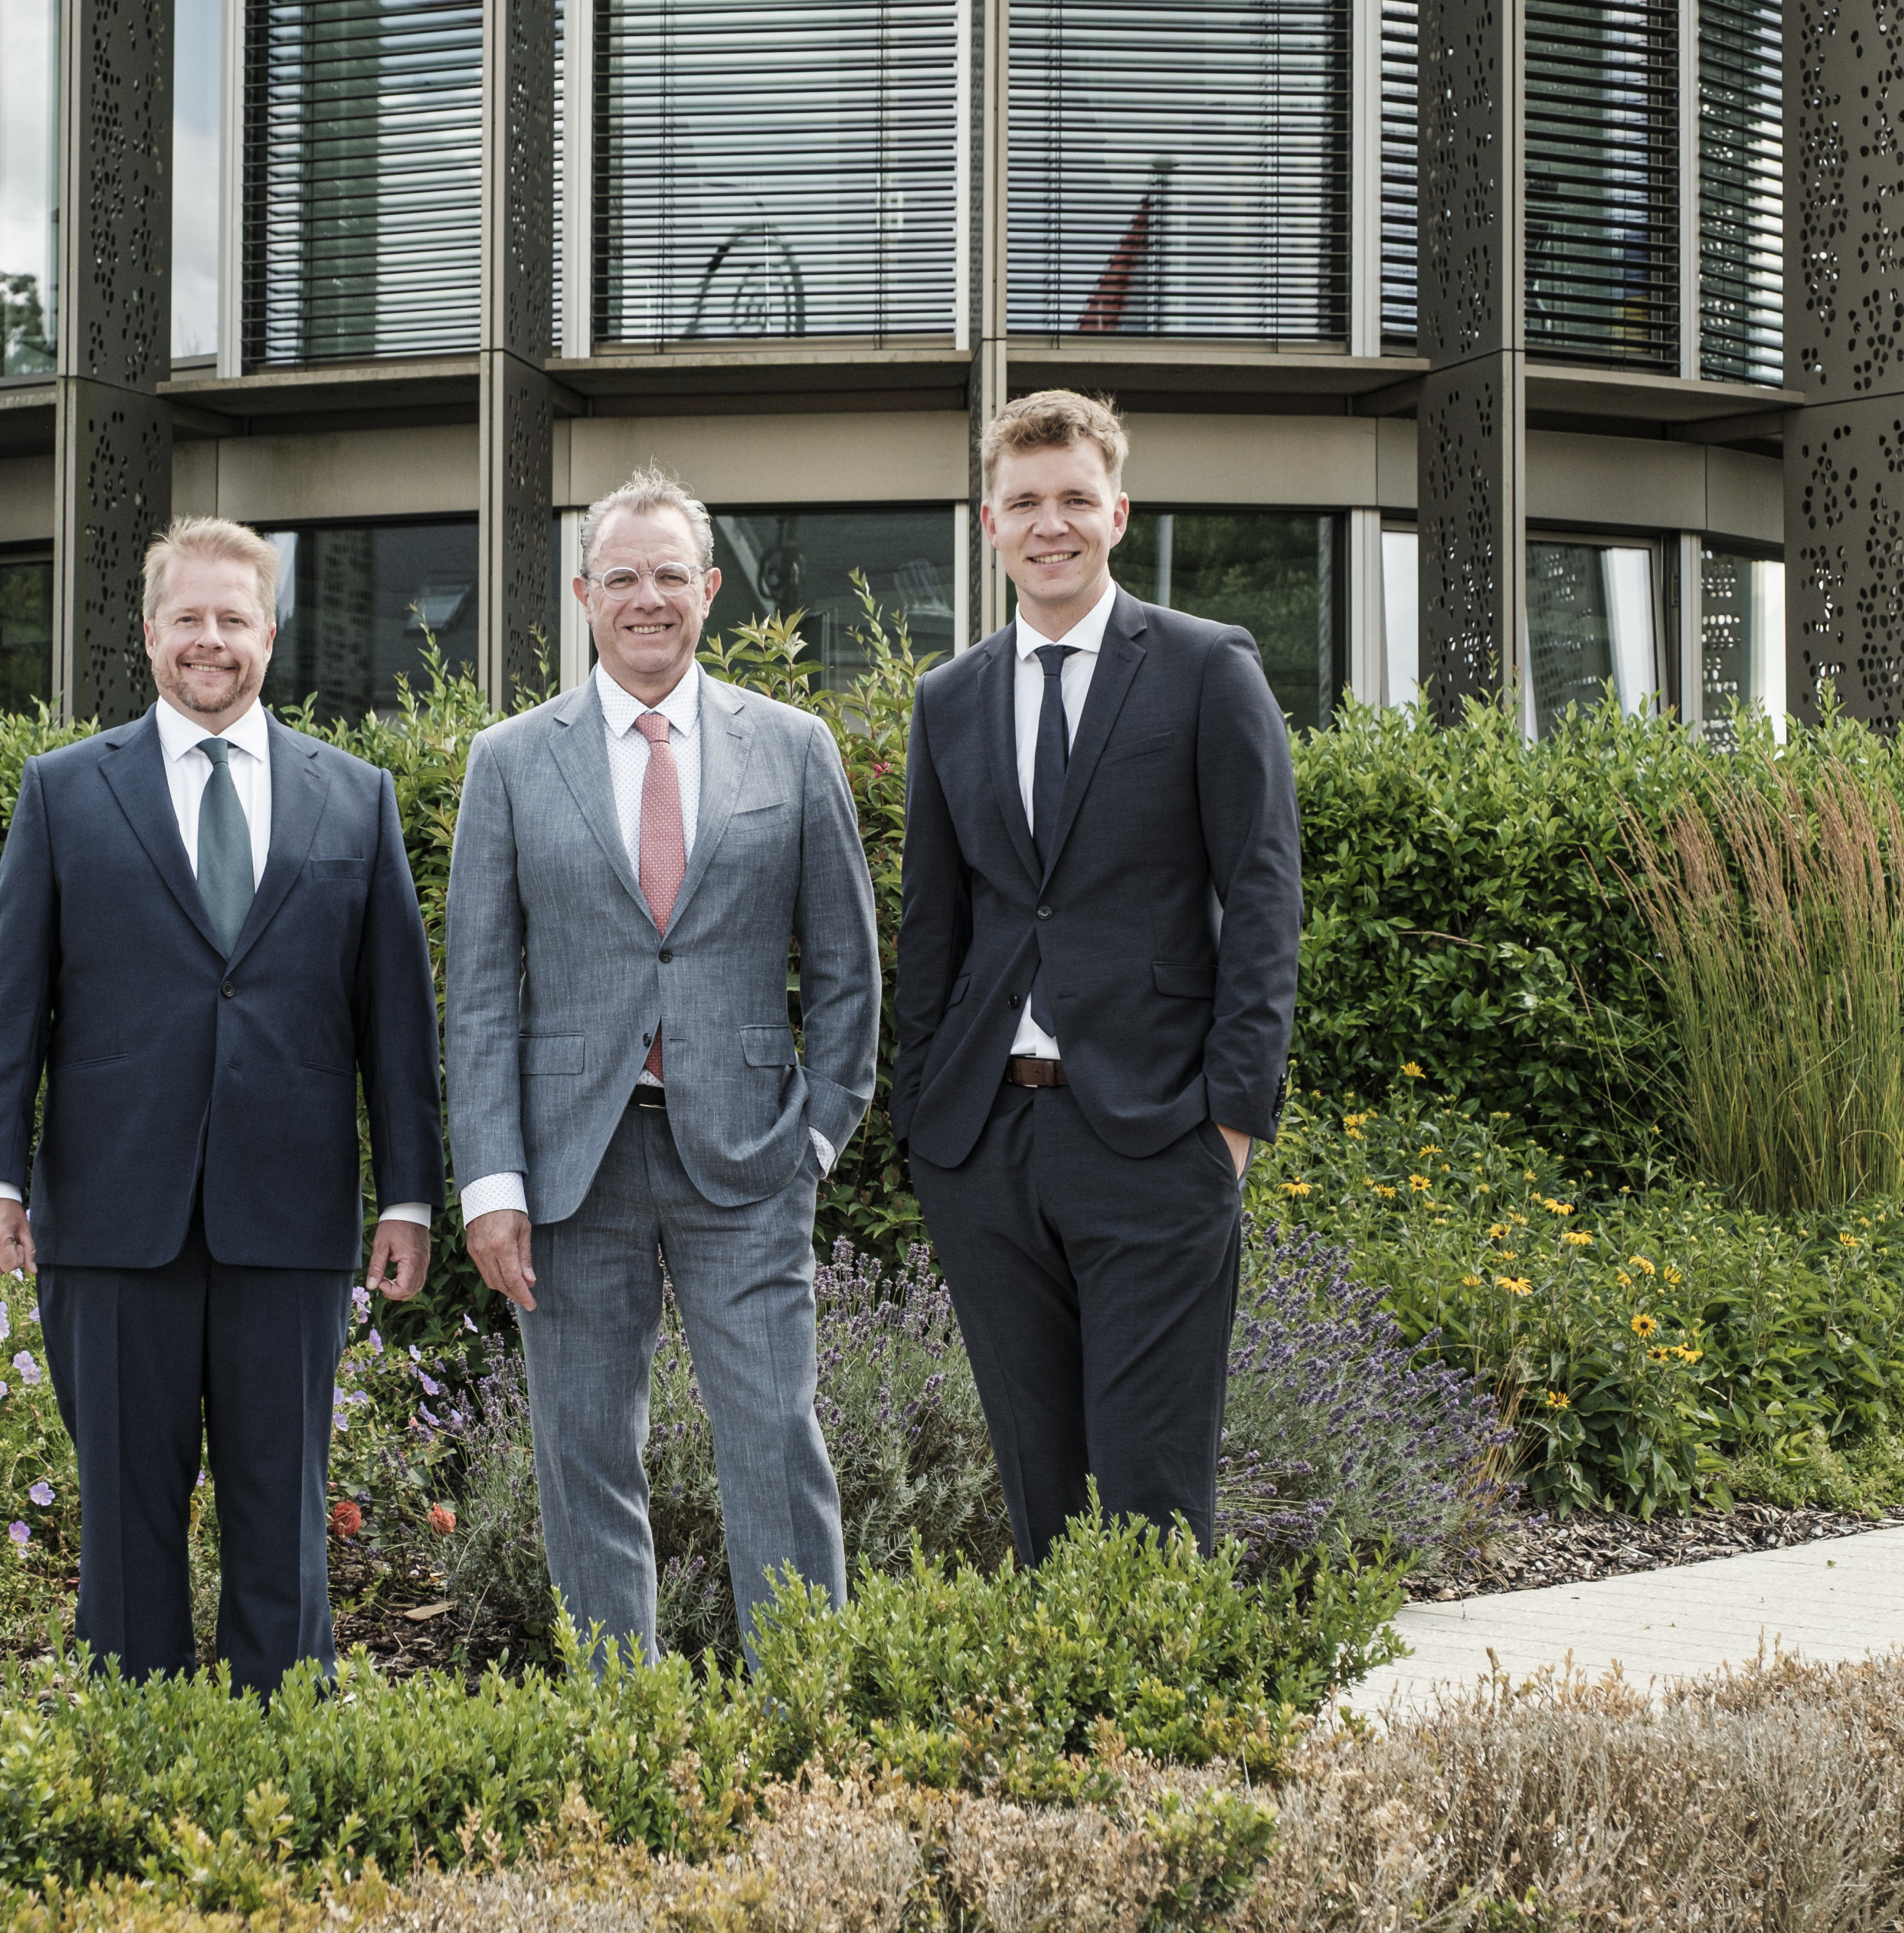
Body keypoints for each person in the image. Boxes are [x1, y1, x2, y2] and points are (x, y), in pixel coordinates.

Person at [0, 515, 445, 1690]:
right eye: (188, 618)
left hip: (291, 1218)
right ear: (148, 632)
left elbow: (396, 1023)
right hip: (116, 1216)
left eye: (234, 618)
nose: (209, 640)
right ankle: (139, 1751)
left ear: (270, 633)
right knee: (126, 1518)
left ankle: (283, 1751)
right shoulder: (64, 792)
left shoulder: (357, 798)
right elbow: (9, 1006)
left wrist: (410, 1197)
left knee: (284, 1513)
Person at [443, 467, 883, 1662]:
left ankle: (803, 1709)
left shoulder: (791, 749)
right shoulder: (508, 761)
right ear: (584, 592)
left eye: (671, 575)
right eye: (623, 576)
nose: (649, 597)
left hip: (749, 1157)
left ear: (710, 589)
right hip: (567, 1169)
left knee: (774, 1440)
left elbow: (846, 968)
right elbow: (477, 993)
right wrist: (491, 1184)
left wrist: (818, 1135)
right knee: (584, 1452)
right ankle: (620, 1722)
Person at [889, 390, 1301, 1565]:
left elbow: (1265, 896)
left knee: (1154, 1484)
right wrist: (926, 1121)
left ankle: (1162, 1688)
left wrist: (1231, 1123)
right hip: (987, 1143)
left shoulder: (1207, 667)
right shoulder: (950, 698)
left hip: (1158, 1134)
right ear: (990, 523)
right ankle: (1060, 1690)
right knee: (1037, 1485)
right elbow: (933, 925)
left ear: (1118, 514)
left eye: (1075, 498)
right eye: (1025, 502)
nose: (1050, 524)